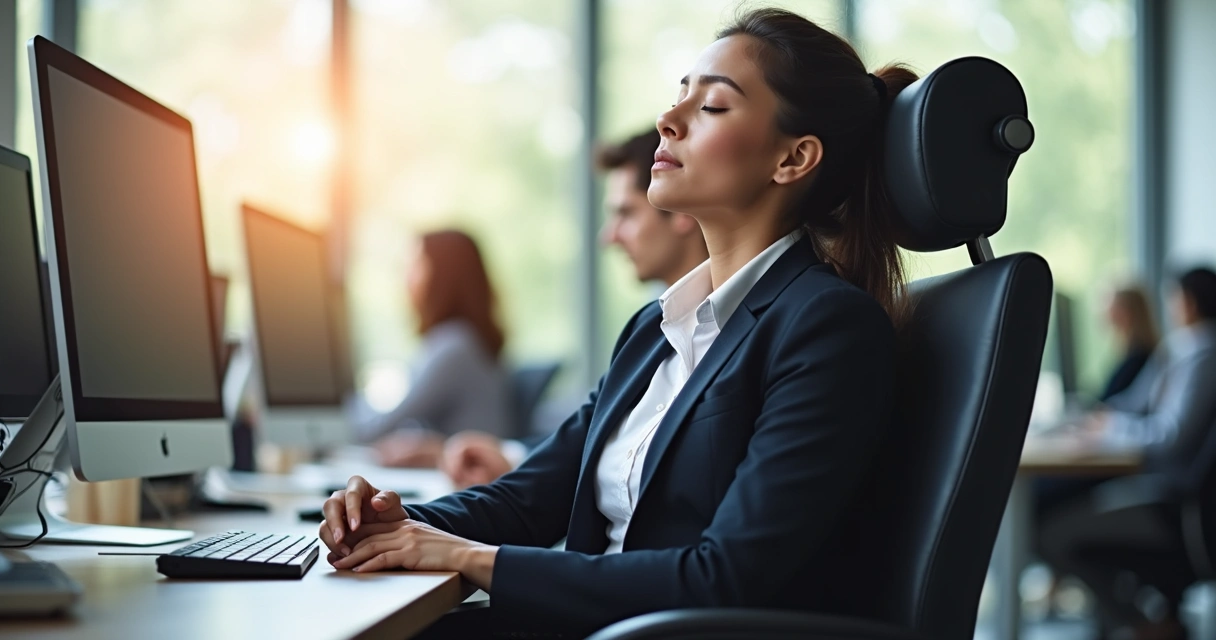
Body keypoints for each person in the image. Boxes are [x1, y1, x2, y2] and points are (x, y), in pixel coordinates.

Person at [323, 8, 914, 636]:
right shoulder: (656, 329)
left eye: (711, 106)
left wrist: (469, 559)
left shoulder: (826, 327)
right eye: (679, 94)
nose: (669, 119)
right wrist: (395, 520)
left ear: (793, 158)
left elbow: (727, 577)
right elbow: (531, 497)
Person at [441, 129, 710, 488]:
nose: (608, 237)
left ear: (680, 212)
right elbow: (594, 435)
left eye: (625, 214)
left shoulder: (725, 331)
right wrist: (509, 455)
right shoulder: (650, 327)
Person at [1039, 267, 1216, 640]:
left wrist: (1110, 428)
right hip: (1156, 492)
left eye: (1172, 299)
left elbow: (1171, 436)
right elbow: (1135, 404)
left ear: (1189, 301)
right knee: (1052, 517)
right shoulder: (1184, 349)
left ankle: (1145, 626)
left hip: (1172, 505)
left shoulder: (1203, 353)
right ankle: (1138, 622)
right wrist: (1099, 419)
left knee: (1051, 533)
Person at [360, 230, 511, 468]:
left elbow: (375, 429)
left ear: (443, 275)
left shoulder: (454, 346)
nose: (406, 278)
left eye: (416, 265)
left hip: (470, 482)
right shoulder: (467, 339)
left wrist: (339, 407)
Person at [1099, 285, 1159, 402]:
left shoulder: (1139, 356)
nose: (1108, 313)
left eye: (1116, 307)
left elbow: (1112, 398)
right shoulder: (1131, 351)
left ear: (1129, 313)